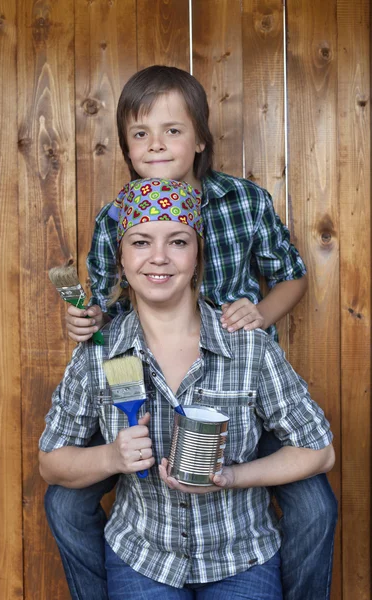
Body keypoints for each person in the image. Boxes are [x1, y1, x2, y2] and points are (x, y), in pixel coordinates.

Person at [45, 66, 338, 600]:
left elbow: (291, 276)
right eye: (140, 134)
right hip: (141, 380)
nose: (156, 145)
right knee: (63, 502)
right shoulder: (115, 217)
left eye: (172, 130)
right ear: (127, 148)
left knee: (316, 505)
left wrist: (259, 318)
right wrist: (83, 319)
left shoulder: (243, 202)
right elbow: (106, 303)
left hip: (240, 385)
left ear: (200, 138)